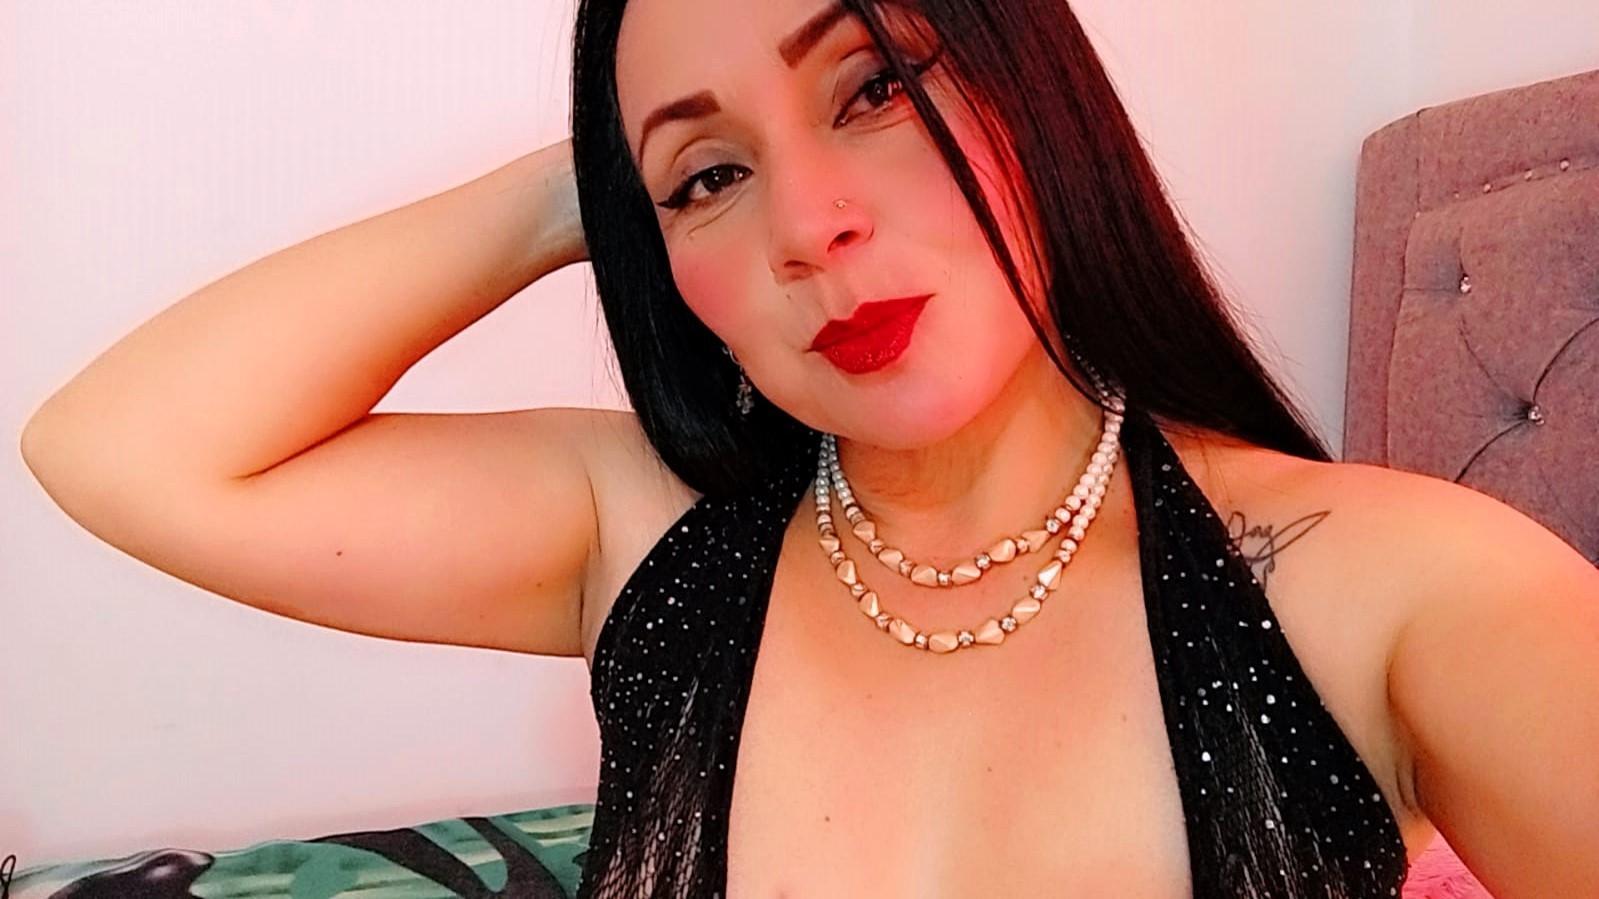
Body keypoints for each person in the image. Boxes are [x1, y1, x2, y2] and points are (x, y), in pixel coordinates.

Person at [19, 0, 1599, 896]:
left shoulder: (1398, 588)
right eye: (711, 180)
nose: (807, 225)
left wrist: (687, 156)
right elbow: (121, 451)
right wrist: (592, 187)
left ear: (1033, 91)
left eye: (876, 87)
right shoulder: (643, 530)